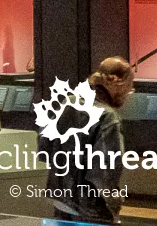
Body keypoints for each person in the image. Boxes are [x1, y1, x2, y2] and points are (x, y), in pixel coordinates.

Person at [53, 57, 134, 224]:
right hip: (91, 207)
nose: (129, 92)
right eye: (129, 86)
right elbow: (104, 173)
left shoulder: (69, 102)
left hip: (61, 202)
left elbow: (45, 147)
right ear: (118, 83)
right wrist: (114, 205)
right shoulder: (108, 117)